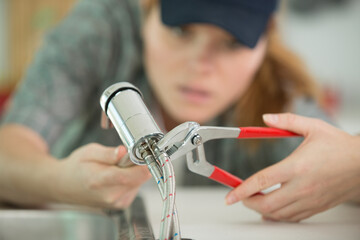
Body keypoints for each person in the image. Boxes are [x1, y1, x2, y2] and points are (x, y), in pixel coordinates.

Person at [0, 0, 357, 222]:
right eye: (182, 31)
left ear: (265, 43)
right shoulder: (99, 30)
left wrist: (353, 166)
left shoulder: (277, 88)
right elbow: (7, 151)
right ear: (147, 12)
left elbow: (333, 158)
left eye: (232, 43)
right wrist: (59, 182)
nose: (200, 65)